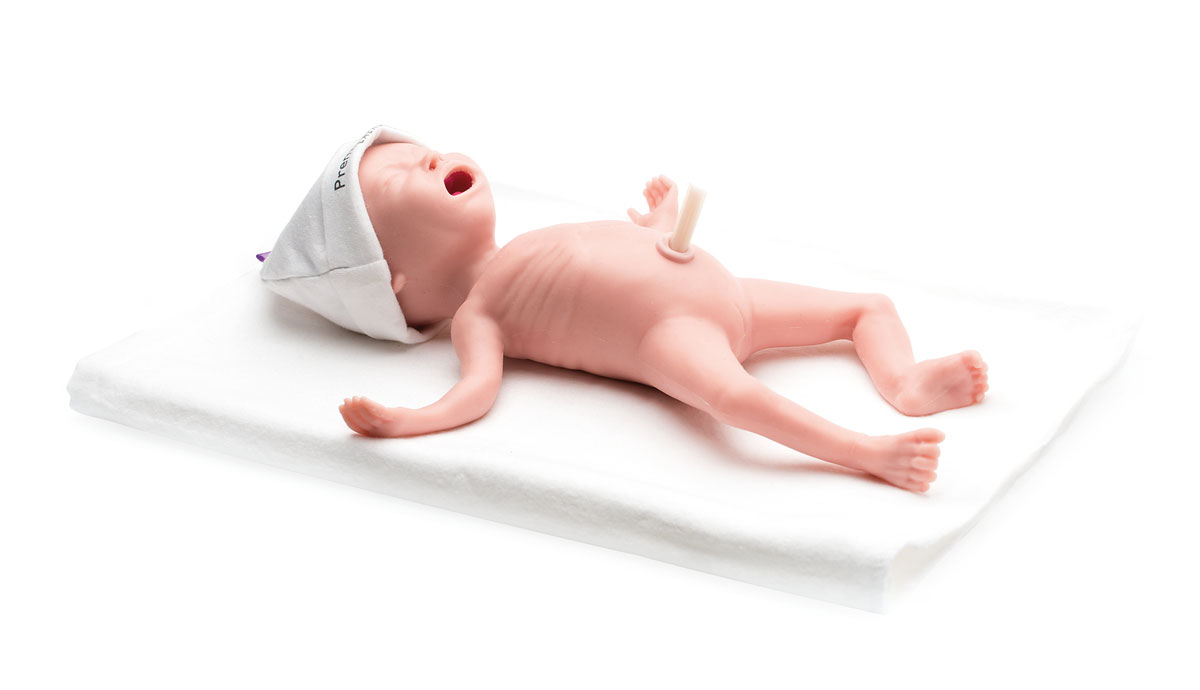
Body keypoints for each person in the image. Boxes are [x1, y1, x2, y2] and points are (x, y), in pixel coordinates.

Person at [262, 127, 987, 492]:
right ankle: (869, 454)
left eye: (420, 150)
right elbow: (474, 393)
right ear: (395, 281)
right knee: (735, 399)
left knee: (867, 306)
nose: (427, 158)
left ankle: (905, 382)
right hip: (669, 333)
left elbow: (614, 249)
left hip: (724, 290)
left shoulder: (525, 239)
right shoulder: (480, 316)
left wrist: (656, 222)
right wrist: (404, 421)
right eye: (400, 180)